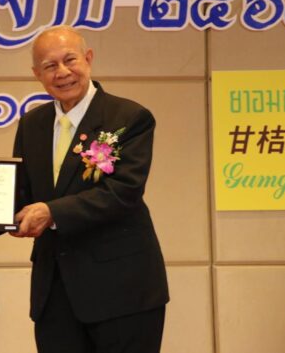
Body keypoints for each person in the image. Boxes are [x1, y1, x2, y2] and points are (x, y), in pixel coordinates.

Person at [11, 26, 169, 353]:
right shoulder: (32, 124)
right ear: (37, 74)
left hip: (122, 290)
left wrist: (52, 212)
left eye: (70, 60)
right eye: (50, 65)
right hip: (55, 292)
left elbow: (123, 191)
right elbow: (23, 192)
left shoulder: (129, 117)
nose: (62, 72)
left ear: (88, 58)